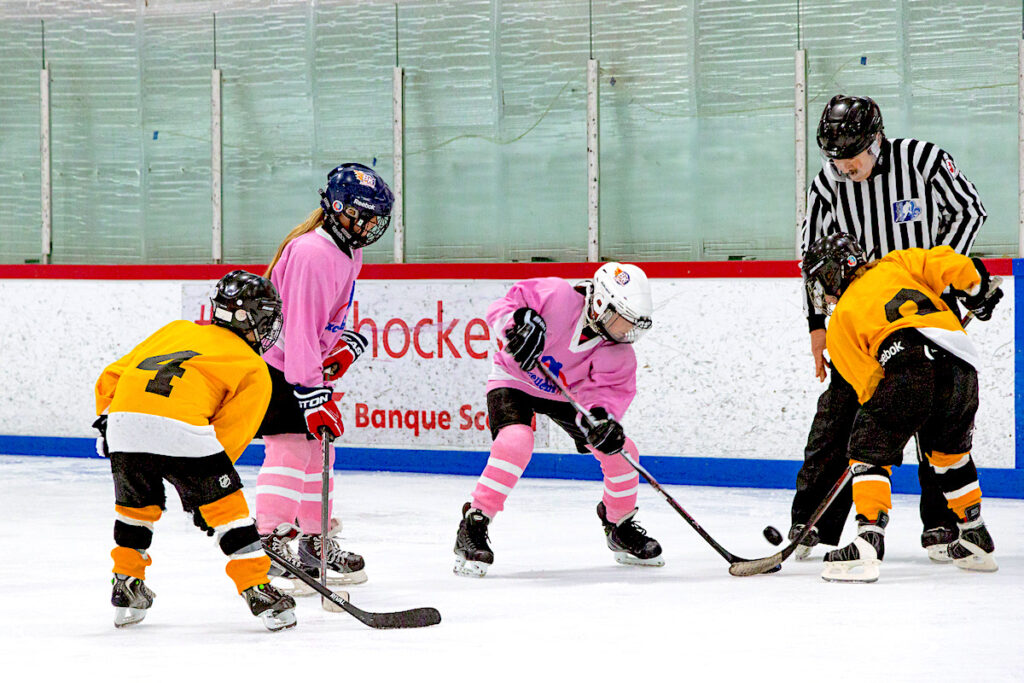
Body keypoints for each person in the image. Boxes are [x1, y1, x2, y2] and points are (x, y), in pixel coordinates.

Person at [790, 94, 987, 562]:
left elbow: (968, 211)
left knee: (932, 417)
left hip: (923, 314)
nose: (844, 165)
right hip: (859, 322)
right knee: (839, 415)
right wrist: (818, 322)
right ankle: (813, 522)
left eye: (852, 154)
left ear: (876, 139)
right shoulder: (825, 186)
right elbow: (812, 257)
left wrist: (937, 291)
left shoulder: (924, 160)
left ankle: (941, 526)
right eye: (834, 157)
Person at [93, 270, 296, 631]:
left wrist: (111, 420)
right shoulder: (252, 366)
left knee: (134, 509)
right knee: (230, 512)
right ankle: (258, 589)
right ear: (252, 318)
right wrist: (208, 496)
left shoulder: (175, 329)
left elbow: (111, 376)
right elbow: (228, 438)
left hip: (121, 425)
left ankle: (126, 583)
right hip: (182, 428)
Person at [801, 234, 1001, 582]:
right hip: (962, 364)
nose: (822, 291)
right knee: (949, 454)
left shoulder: (842, 322)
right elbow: (949, 262)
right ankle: (975, 535)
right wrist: (977, 288)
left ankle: (867, 542)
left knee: (868, 448)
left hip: (905, 361)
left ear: (835, 273)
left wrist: (897, 412)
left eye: (822, 280)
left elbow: (870, 386)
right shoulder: (896, 263)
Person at [453, 262, 663, 577]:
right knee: (515, 442)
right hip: (515, 381)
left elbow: (607, 395)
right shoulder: (556, 294)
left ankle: (619, 526)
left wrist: (604, 419)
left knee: (622, 452)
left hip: (569, 397)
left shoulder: (617, 351)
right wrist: (518, 323)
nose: (626, 331)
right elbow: (502, 306)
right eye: (622, 320)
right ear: (601, 304)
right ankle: (474, 524)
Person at [254, 162, 393, 588]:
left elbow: (320, 322)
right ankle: (269, 546)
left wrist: (340, 346)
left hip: (303, 366)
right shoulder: (312, 252)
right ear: (336, 207)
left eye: (375, 218)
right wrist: (312, 393)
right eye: (361, 215)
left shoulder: (350, 250)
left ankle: (315, 543)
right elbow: (296, 331)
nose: (369, 226)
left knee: (320, 455)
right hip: (281, 369)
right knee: (290, 452)